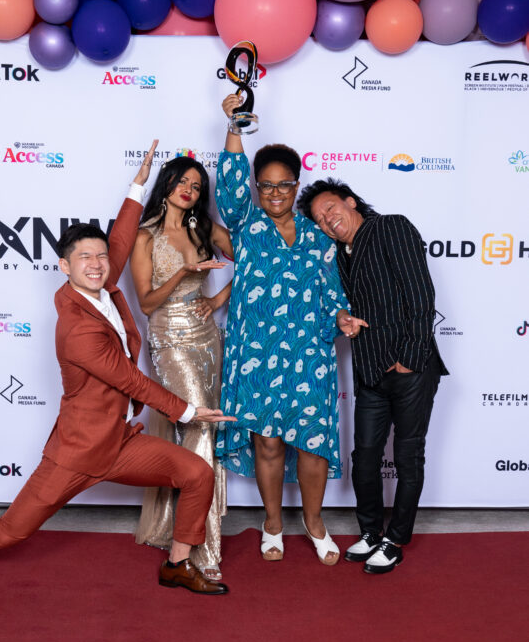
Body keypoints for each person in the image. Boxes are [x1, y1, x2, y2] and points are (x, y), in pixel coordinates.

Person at [0, 143, 235, 597]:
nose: (97, 265)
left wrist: (137, 186)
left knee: (196, 473)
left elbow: (120, 240)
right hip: (77, 452)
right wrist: (189, 411)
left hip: (118, 442)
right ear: (64, 266)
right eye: (85, 259)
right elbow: (129, 379)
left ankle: (177, 564)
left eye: (100, 258)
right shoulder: (77, 327)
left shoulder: (102, 283)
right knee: (8, 532)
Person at [216, 95, 364, 566]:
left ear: (296, 185)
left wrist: (341, 318)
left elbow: (333, 292)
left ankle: (315, 524)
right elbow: (229, 182)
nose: (275, 193)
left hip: (309, 351)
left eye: (284, 185)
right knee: (268, 441)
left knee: (313, 443)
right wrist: (234, 127)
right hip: (255, 352)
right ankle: (273, 524)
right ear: (256, 188)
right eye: (266, 185)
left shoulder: (319, 235)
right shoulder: (245, 224)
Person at [298, 178, 448, 574]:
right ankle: (370, 532)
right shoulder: (339, 254)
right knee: (364, 455)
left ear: (350, 202)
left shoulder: (390, 226)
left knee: (407, 456)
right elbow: (345, 303)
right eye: (319, 219)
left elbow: (421, 295)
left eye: (330, 209)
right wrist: (343, 318)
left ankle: (395, 540)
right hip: (369, 370)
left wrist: (408, 359)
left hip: (410, 367)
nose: (327, 220)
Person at [132, 155, 233, 582]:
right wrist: (184, 273)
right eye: (183, 181)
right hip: (170, 338)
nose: (189, 189)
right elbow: (146, 303)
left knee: (204, 430)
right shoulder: (145, 236)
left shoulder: (204, 228)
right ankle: (199, 547)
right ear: (167, 183)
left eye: (197, 185)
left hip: (208, 338)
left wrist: (217, 299)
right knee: (198, 427)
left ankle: (184, 531)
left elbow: (258, 263)